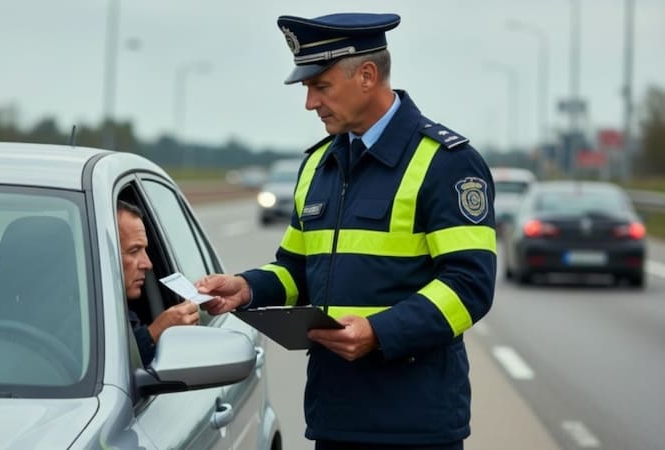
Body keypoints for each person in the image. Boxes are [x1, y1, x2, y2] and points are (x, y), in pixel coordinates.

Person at [197, 12, 496, 450]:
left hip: (415, 424)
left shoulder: (445, 162)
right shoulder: (318, 165)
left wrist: (379, 332)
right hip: (334, 417)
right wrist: (246, 288)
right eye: (307, 88)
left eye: (321, 86)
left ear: (367, 76)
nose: (310, 103)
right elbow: (297, 269)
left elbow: (469, 285)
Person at [117, 200, 199, 366]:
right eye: (134, 251)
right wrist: (154, 333)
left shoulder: (118, 310)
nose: (148, 264)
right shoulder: (80, 319)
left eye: (145, 250)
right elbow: (113, 370)